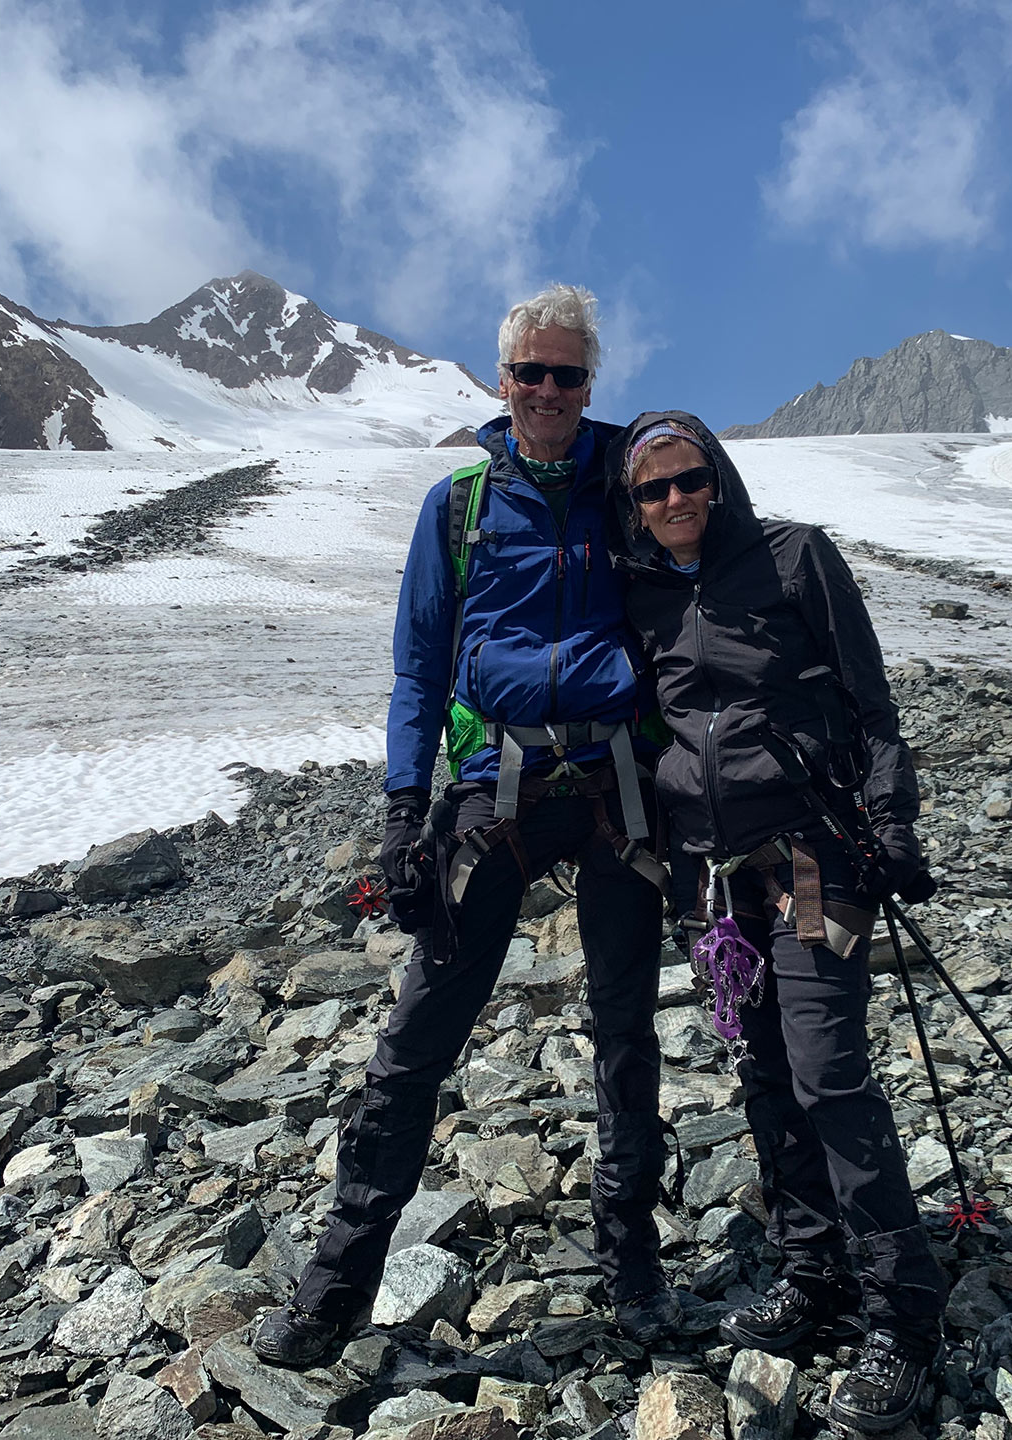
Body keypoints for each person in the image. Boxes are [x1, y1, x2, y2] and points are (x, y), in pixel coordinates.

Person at [254, 286, 678, 1369]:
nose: (546, 392)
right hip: (496, 788)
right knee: (414, 1044)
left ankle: (633, 1272)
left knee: (626, 1033)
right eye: (530, 373)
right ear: (501, 380)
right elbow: (418, 666)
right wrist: (404, 806)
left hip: (621, 786)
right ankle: (337, 1290)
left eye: (567, 375)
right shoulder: (460, 506)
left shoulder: (632, 487)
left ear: (592, 383)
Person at [607, 412, 944, 1433]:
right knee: (762, 1070)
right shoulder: (646, 593)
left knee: (828, 1070)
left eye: (687, 479)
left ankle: (905, 1315)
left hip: (812, 855)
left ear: (719, 476)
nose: (673, 501)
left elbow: (871, 704)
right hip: (717, 880)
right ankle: (812, 1272)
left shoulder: (796, 558)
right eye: (651, 490)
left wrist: (892, 825)